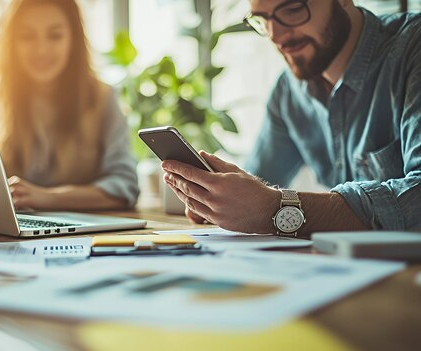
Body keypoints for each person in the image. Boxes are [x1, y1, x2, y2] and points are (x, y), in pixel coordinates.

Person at [162, 0, 421, 237]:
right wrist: (223, 200)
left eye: (293, 9)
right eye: (263, 19)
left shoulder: (413, 48)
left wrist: (273, 208)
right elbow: (258, 182)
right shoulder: (289, 92)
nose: (277, 35)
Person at [0, 0, 139, 211]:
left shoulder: (102, 98)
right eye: (26, 36)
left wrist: (47, 198)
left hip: (86, 233)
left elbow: (125, 186)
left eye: (55, 35)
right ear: (12, 43)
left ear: (73, 40)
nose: (41, 50)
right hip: (12, 233)